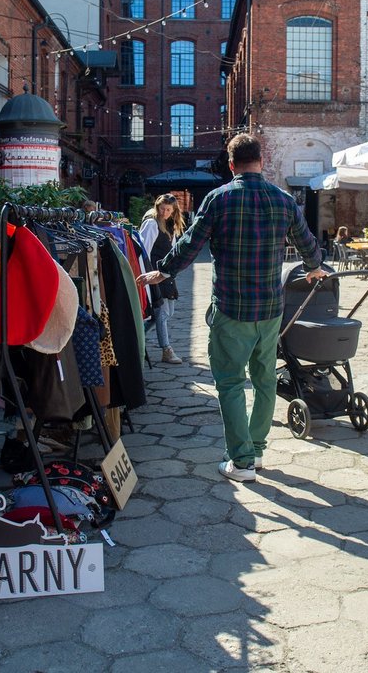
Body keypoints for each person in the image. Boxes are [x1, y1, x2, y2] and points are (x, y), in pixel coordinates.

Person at [136, 134, 324, 482]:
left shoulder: (219, 198)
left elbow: (191, 244)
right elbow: (307, 242)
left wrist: (164, 271)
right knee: (265, 379)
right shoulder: (284, 200)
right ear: (262, 161)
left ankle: (242, 461)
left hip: (232, 308)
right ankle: (257, 450)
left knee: (231, 382)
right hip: (270, 309)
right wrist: (314, 266)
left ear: (231, 163)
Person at [139, 194, 186, 365]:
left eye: (168, 210)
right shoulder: (152, 223)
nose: (164, 212)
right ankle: (166, 350)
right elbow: (143, 251)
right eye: (161, 208)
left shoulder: (171, 225)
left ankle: (136, 339)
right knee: (162, 313)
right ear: (157, 207)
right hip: (154, 273)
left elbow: (172, 250)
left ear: (173, 210)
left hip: (166, 273)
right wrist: (147, 275)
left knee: (164, 313)